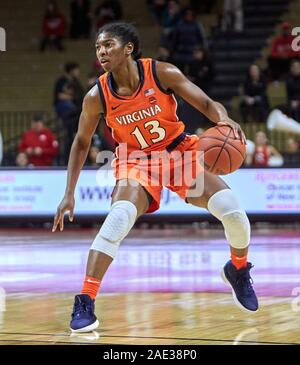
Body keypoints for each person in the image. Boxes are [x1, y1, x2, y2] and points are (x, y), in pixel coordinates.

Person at [52, 22, 258, 333]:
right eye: (98, 47)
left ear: (129, 48)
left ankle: (238, 270)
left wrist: (223, 118)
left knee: (233, 211)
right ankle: (85, 301)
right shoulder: (97, 96)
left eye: (108, 44)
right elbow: (81, 142)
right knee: (119, 217)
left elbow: (203, 102)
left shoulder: (162, 73)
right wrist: (69, 193)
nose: (102, 51)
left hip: (180, 153)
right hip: (135, 162)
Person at [54, 62, 85, 164]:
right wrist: (72, 98)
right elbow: (59, 96)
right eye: (76, 70)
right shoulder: (62, 81)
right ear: (71, 70)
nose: (78, 72)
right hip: (64, 107)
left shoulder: (76, 82)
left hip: (75, 109)